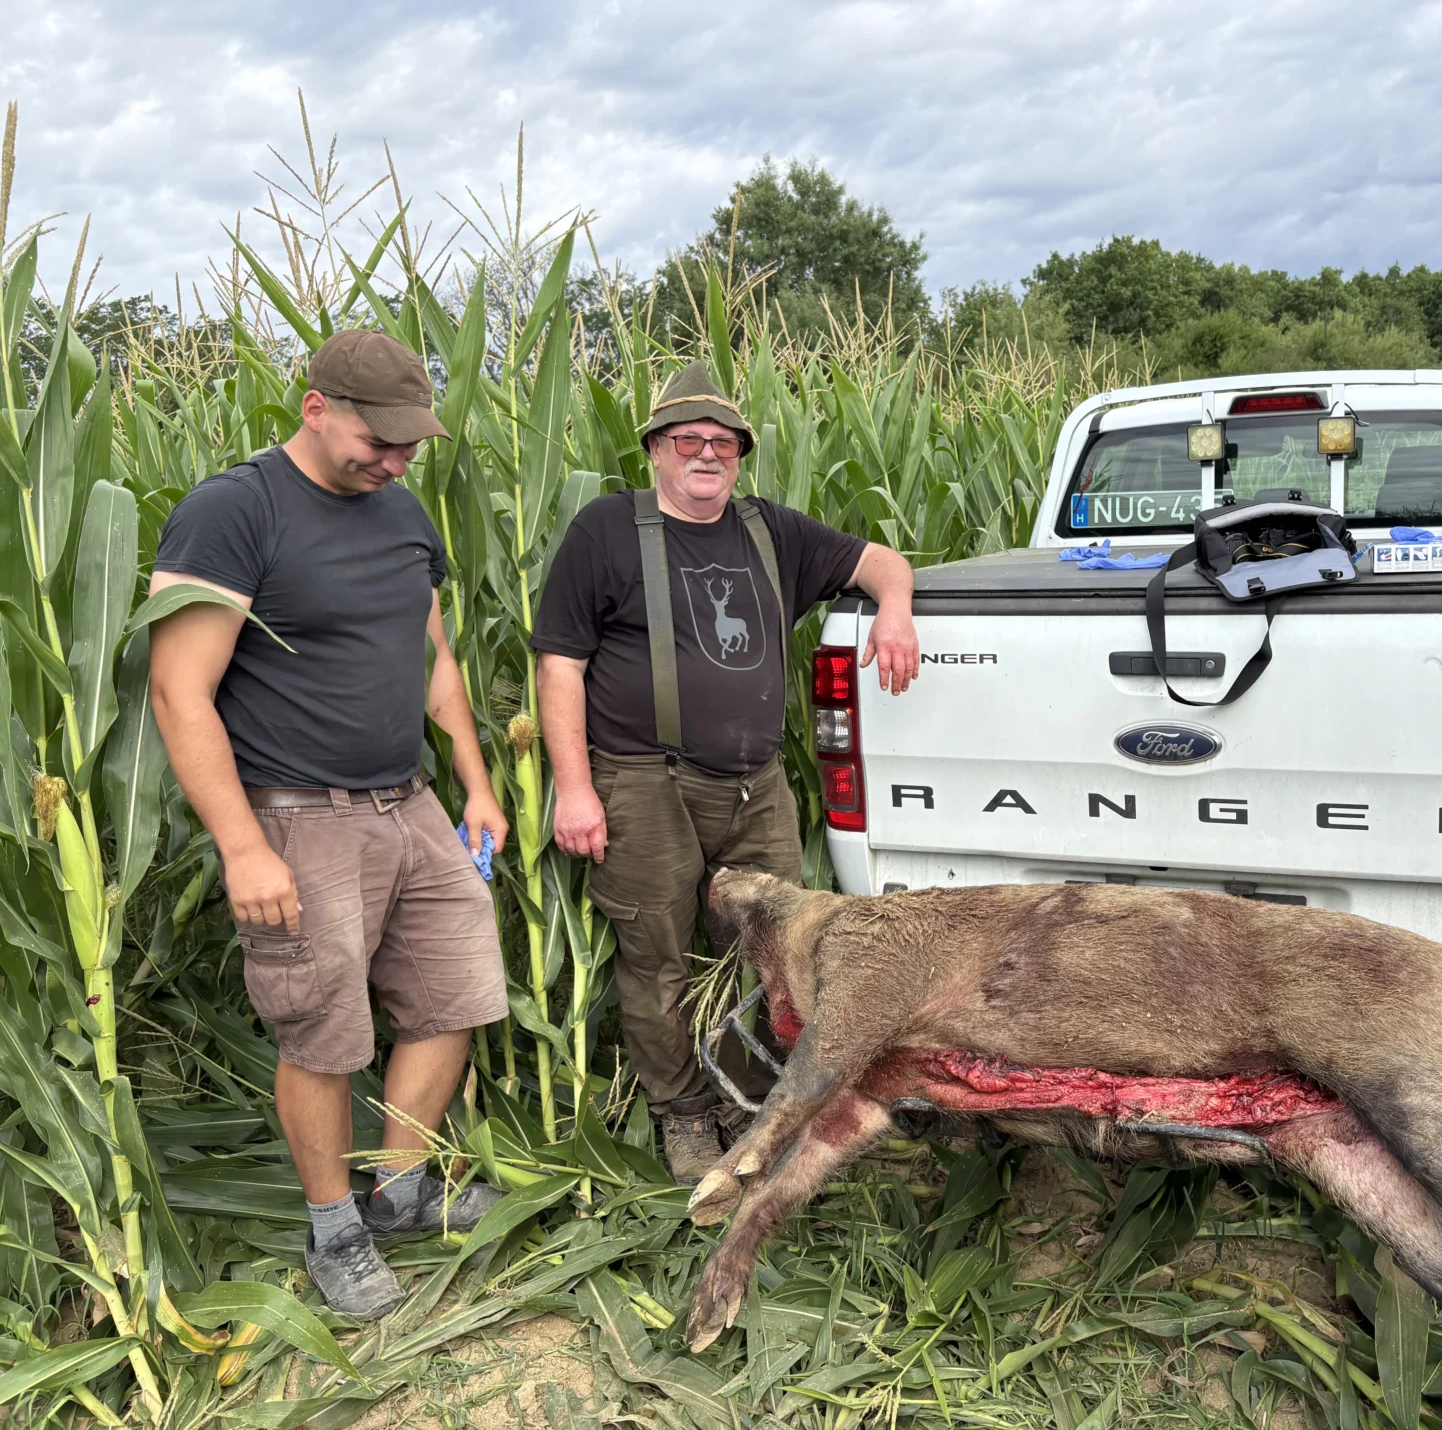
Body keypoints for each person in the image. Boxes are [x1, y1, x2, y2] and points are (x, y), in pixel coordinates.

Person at [148, 329, 511, 1320]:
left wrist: (475, 785)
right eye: (378, 442)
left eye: (410, 445)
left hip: (411, 803)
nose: (396, 461)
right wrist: (244, 847)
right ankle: (333, 1229)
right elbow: (180, 692)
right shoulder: (235, 512)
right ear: (315, 410)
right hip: (297, 815)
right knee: (322, 1031)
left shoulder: (404, 513)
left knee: (455, 993)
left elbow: (435, 662)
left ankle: (399, 1193)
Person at [533, 363, 918, 1181]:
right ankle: (683, 1115)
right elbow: (560, 663)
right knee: (658, 957)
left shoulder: (770, 530)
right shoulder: (607, 531)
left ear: (740, 455)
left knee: (772, 950)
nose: (707, 453)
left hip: (756, 784)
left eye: (724, 442)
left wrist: (895, 611)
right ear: (655, 450)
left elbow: (881, 560)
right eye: (688, 441)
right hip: (645, 782)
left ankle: (752, 1106)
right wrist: (575, 789)